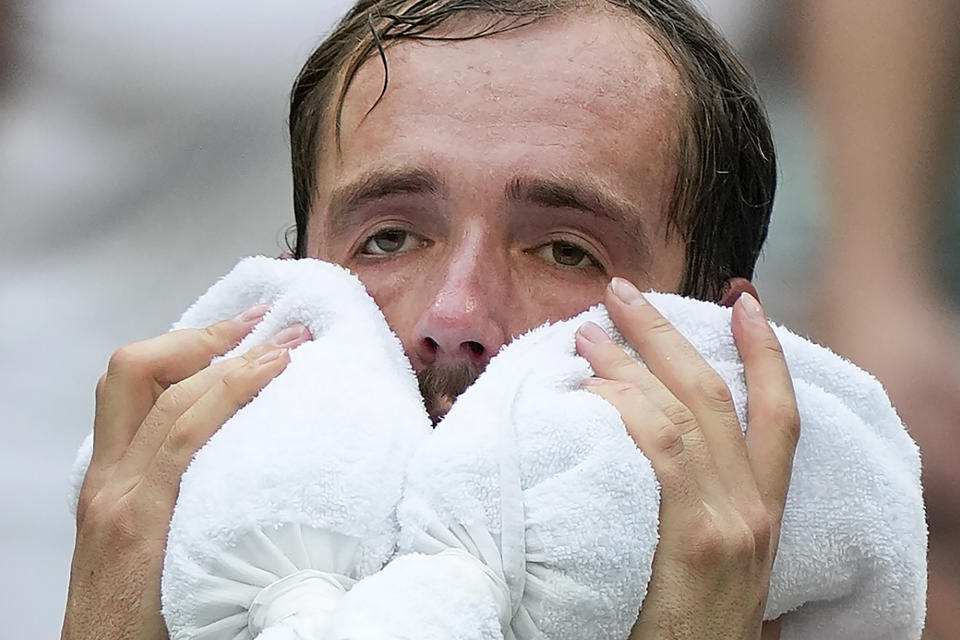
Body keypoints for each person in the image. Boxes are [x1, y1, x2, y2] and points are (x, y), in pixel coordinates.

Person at [61, 1, 801, 639]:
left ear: (721, 337)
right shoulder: (146, 563)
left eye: (565, 251)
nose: (454, 316)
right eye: (390, 238)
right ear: (292, 287)